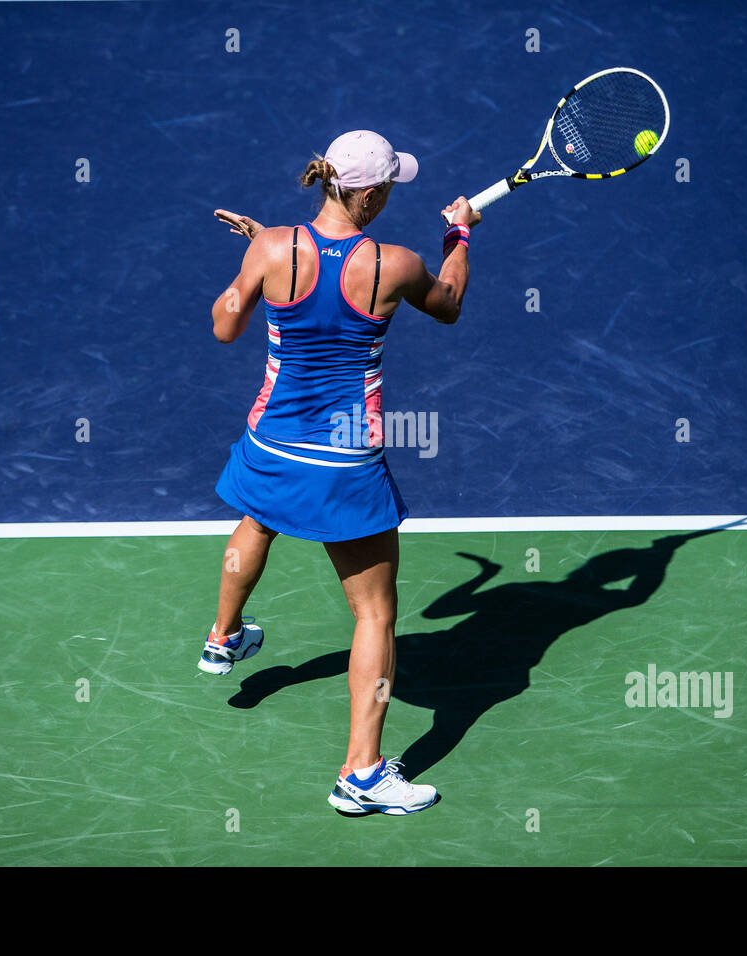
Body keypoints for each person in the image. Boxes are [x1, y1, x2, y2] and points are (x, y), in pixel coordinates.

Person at [200, 130, 479, 815]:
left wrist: (257, 260)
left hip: (272, 438)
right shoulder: (397, 264)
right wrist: (459, 236)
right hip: (343, 457)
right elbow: (448, 304)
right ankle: (361, 773)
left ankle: (222, 638)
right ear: (374, 193)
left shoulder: (270, 248)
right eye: (391, 188)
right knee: (375, 613)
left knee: (258, 519)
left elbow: (225, 327)